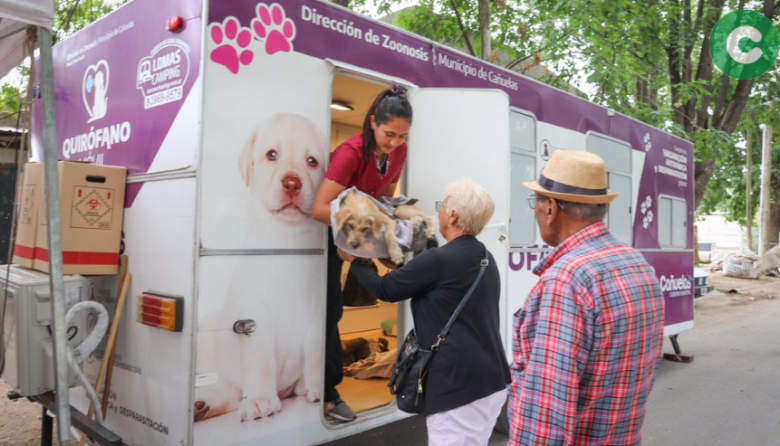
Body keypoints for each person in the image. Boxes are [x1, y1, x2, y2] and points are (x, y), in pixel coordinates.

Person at [337, 179, 511, 445]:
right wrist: (401, 270)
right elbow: (441, 286)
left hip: (458, 387)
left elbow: (385, 290)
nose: (440, 211)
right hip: (490, 379)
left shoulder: (439, 259)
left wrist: (354, 259)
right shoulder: (484, 256)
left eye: (443, 206)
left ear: (453, 215)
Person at [509, 150, 665, 446]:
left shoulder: (567, 279)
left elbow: (547, 410)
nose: (537, 211)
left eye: (537, 202)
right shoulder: (637, 264)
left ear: (551, 208)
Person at [311, 83, 413, 422]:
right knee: (329, 311)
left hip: (360, 235)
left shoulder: (399, 153)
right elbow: (320, 209)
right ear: (372, 122)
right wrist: (354, 242)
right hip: (333, 235)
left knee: (343, 307)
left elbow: (381, 204)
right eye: (389, 134)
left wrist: (382, 248)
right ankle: (327, 395)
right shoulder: (350, 153)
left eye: (401, 136)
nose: (394, 142)